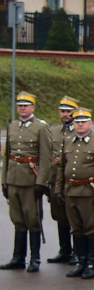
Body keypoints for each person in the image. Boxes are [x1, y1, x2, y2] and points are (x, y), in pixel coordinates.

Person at [53, 107, 94, 280]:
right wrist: (58, 190)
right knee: (76, 228)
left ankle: (91, 264)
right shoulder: (68, 141)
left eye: (83, 122)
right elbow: (62, 167)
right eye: (77, 122)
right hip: (71, 191)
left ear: (90, 124)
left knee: (91, 229)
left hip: (89, 192)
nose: (79, 125)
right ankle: (81, 262)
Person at [1, 91, 51, 272]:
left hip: (31, 180)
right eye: (19, 105)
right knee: (17, 219)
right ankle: (18, 257)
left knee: (33, 219)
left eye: (26, 105)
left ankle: (35, 258)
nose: (22, 107)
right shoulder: (12, 126)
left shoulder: (41, 128)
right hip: (14, 178)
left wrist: (42, 183)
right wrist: (4, 181)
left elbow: (46, 158)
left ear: (33, 107)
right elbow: (8, 155)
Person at [46, 95, 79, 265]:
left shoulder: (79, 131)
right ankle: (64, 250)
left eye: (68, 111)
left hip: (72, 180)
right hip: (55, 180)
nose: (65, 114)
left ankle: (76, 252)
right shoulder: (54, 131)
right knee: (59, 216)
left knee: (73, 216)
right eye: (63, 111)